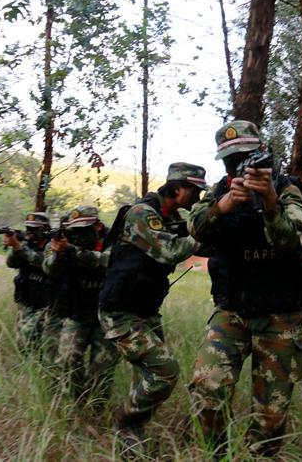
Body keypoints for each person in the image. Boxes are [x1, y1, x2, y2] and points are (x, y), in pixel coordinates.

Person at [187, 120, 302, 456]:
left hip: (281, 315)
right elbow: (196, 231)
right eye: (231, 160)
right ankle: (218, 454)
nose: (238, 166)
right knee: (207, 390)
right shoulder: (218, 192)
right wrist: (224, 204)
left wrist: (270, 201)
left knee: (271, 417)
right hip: (232, 311)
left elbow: (290, 242)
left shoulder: (286, 189)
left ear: (261, 153)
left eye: (245, 156)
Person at [97, 163, 207, 451]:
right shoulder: (142, 214)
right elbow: (170, 250)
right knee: (164, 372)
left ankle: (131, 441)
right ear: (178, 188)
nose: (196, 198)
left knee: (145, 376)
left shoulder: (168, 218)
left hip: (144, 312)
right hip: (120, 313)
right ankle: (125, 421)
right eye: (194, 191)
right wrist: (203, 232)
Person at [43, 205, 119, 408]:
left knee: (102, 367)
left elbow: (110, 261)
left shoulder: (115, 238)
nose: (79, 234)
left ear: (98, 226)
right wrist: (60, 253)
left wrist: (75, 252)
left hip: (108, 314)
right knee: (67, 359)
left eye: (84, 229)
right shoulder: (68, 242)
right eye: (76, 229)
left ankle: (96, 408)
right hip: (77, 310)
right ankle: (76, 402)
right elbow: (49, 268)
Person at [4, 212, 53, 357]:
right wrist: (14, 247)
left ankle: (40, 366)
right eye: (28, 228)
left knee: (28, 335)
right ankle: (33, 366)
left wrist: (19, 247)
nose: (30, 232)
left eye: (34, 229)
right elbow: (10, 263)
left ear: (45, 229)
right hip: (25, 298)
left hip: (43, 300)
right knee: (22, 341)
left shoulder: (52, 244)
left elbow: (43, 263)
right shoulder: (26, 243)